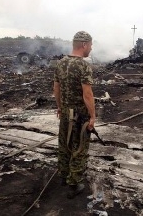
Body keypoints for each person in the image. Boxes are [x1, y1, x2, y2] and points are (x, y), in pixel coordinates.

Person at [53, 31, 95, 199]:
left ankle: (64, 176)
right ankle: (74, 183)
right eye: (90, 45)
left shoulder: (61, 63)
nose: (91, 49)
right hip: (79, 116)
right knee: (79, 148)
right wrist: (92, 116)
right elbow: (87, 95)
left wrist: (60, 107)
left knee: (64, 144)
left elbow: (56, 88)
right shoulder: (84, 66)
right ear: (84, 45)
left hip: (64, 113)